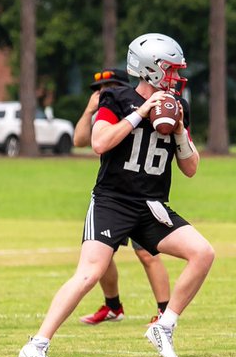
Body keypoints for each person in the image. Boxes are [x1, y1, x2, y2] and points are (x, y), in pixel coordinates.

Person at [18, 33, 214, 357]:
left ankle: (164, 326)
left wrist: (180, 130)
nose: (176, 78)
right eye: (171, 70)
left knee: (203, 253)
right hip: (114, 201)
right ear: (151, 69)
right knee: (89, 272)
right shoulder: (117, 98)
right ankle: (37, 344)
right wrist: (141, 113)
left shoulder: (177, 106)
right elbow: (99, 142)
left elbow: (191, 168)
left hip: (151, 205)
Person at [73, 68, 173, 326]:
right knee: (101, 256)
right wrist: (89, 110)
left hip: (137, 193)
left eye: (109, 86)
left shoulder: (130, 106)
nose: (102, 92)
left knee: (147, 254)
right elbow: (80, 140)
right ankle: (113, 307)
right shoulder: (106, 108)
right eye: (99, 89)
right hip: (111, 195)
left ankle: (165, 311)